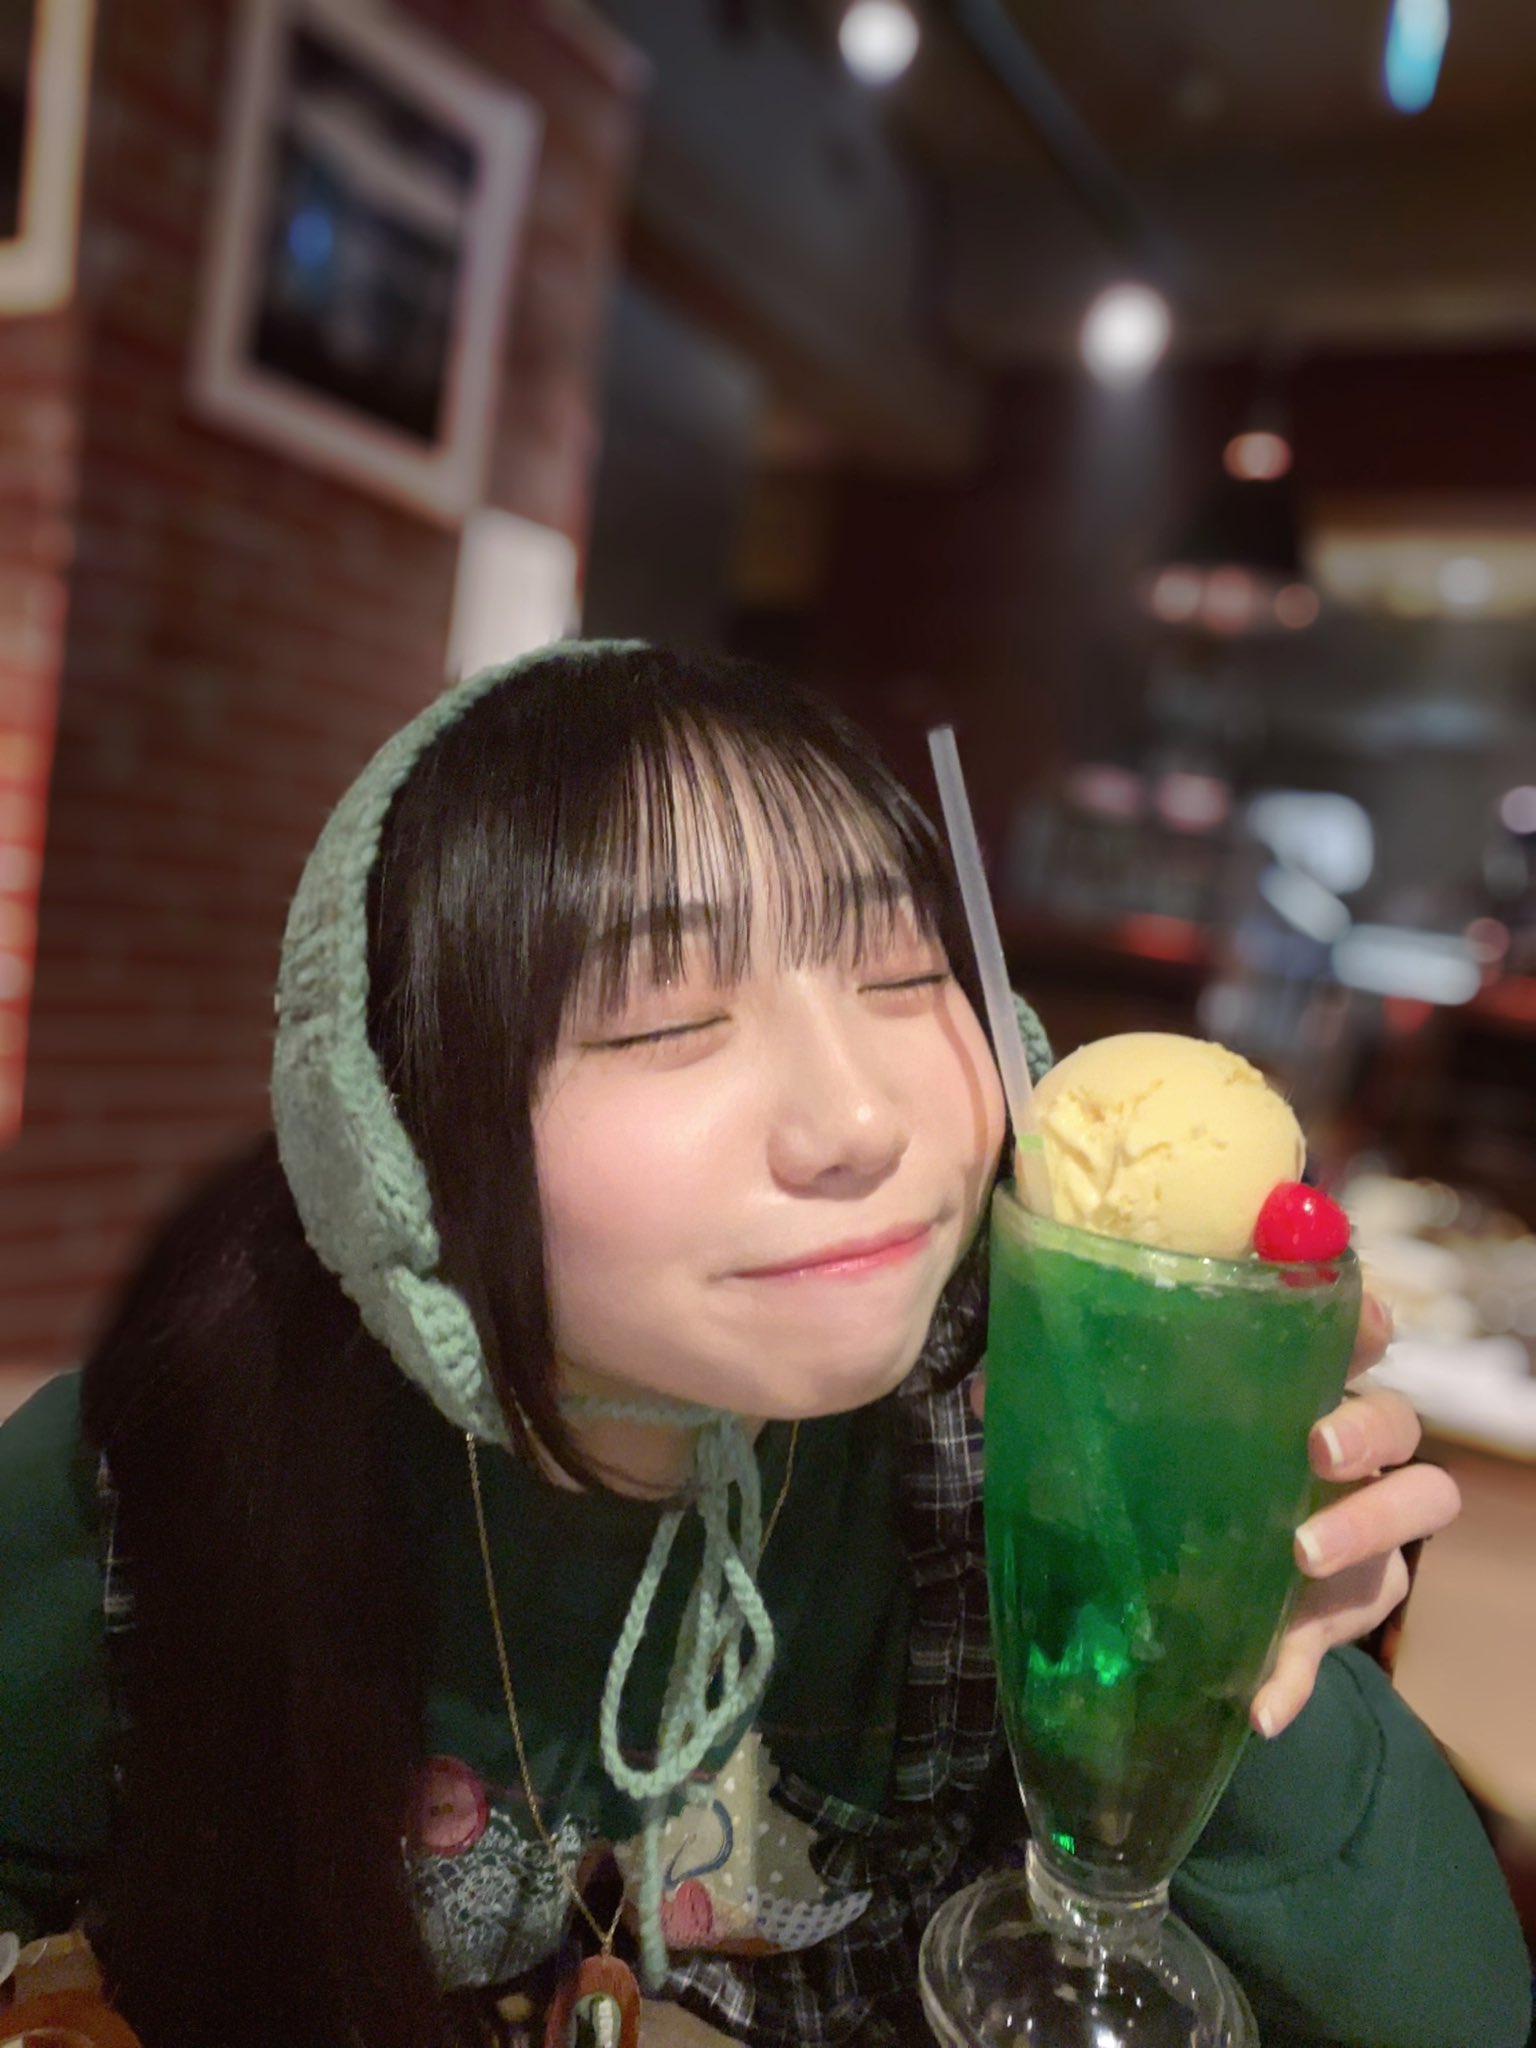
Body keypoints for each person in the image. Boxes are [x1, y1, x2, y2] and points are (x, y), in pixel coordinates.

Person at [0, 642, 1528, 2048]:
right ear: (390, 1131)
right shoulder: (151, 1486)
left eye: (904, 973)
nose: (857, 1120)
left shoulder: (1012, 1464)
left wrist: (1216, 1639)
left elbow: (1454, 2015)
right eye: (662, 1019)